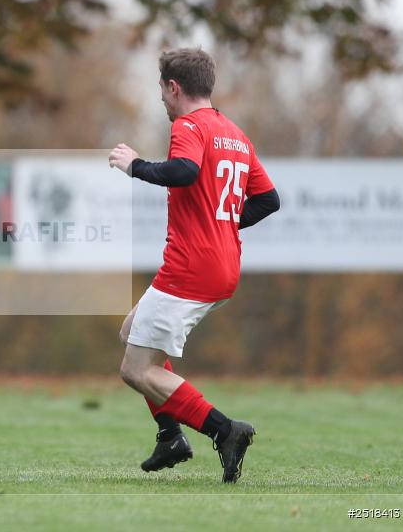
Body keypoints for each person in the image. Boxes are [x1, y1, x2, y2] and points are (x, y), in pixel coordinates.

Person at [108, 48, 279, 483]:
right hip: (223, 267)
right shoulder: (234, 134)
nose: (162, 101)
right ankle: (170, 435)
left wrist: (135, 166)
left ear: (174, 87)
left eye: (162, 91)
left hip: (191, 268)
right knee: (131, 331)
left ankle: (224, 430)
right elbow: (269, 200)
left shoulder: (188, 125)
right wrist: (221, 222)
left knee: (135, 369)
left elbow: (184, 171)